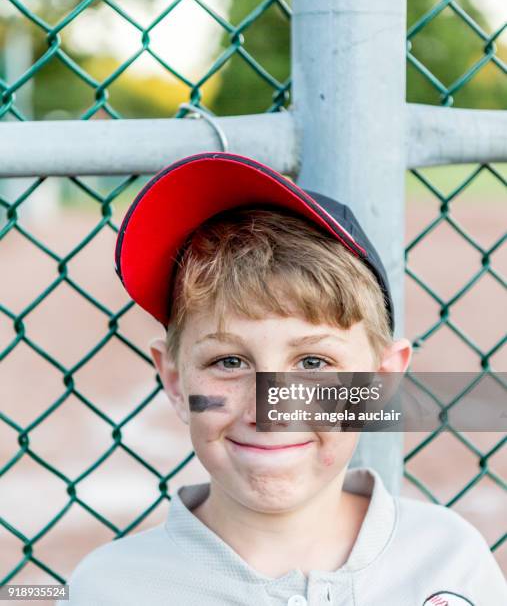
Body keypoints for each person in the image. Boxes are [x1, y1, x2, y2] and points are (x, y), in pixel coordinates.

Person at [62, 152, 506, 605]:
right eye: (229, 362)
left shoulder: (449, 562)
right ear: (176, 382)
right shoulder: (109, 589)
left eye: (313, 363)